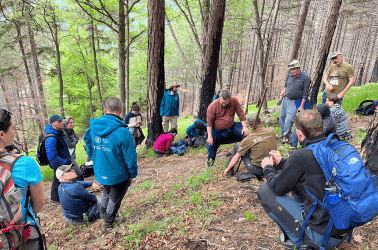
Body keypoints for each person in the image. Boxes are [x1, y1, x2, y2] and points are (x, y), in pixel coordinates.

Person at [258, 109, 352, 250]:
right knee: (298, 185)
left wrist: (268, 168)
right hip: (343, 229)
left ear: (299, 132)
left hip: (323, 237)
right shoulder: (336, 147)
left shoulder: (301, 156)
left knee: (265, 190)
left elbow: (277, 187)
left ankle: (303, 241)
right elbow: (311, 170)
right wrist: (283, 163)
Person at [84, 97, 138, 231]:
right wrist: (132, 173)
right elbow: (130, 157)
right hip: (118, 173)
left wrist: (97, 160)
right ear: (120, 110)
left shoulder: (91, 130)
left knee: (107, 192)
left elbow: (89, 149)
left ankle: (105, 215)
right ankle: (108, 222)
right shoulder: (123, 132)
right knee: (115, 196)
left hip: (101, 170)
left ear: (104, 109)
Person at [0, 109, 45, 249]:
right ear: (1, 134)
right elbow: (40, 202)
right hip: (23, 231)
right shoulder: (24, 163)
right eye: (13, 128)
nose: (14, 132)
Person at [224, 113, 277, 181]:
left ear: (248, 125)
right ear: (261, 122)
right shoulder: (271, 130)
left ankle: (230, 169)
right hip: (273, 166)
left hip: (258, 170)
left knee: (238, 146)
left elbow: (236, 159)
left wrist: (227, 169)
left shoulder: (248, 140)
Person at [206, 89, 249, 167]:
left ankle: (247, 157)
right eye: (222, 103)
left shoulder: (234, 101)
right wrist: (209, 136)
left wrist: (244, 127)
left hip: (231, 126)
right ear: (219, 98)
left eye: (226, 103)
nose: (224, 104)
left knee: (245, 135)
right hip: (217, 129)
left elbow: (241, 114)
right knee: (212, 145)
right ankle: (210, 163)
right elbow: (209, 123)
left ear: (229, 99)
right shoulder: (212, 106)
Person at [279, 59, 311, 144]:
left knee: (289, 119)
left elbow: (305, 94)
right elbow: (286, 85)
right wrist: (284, 91)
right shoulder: (289, 76)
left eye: (294, 69)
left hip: (295, 101)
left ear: (298, 68)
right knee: (282, 117)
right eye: (291, 69)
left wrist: (301, 106)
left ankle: (286, 136)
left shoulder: (305, 78)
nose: (292, 71)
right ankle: (283, 133)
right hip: (286, 99)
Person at [45, 115, 72, 204]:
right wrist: (64, 162)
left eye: (61, 121)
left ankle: (57, 198)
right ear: (52, 124)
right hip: (59, 162)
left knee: (59, 179)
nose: (61, 123)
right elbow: (51, 156)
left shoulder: (58, 132)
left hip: (62, 161)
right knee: (58, 179)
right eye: (58, 122)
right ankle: (55, 199)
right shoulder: (51, 138)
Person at [62, 116, 83, 181]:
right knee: (79, 173)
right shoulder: (64, 132)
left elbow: (77, 138)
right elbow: (70, 145)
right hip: (67, 156)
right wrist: (74, 141)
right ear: (65, 124)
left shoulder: (71, 130)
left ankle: (76, 188)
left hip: (72, 154)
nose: (72, 124)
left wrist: (74, 141)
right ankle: (80, 188)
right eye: (70, 123)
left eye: (73, 122)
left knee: (73, 174)